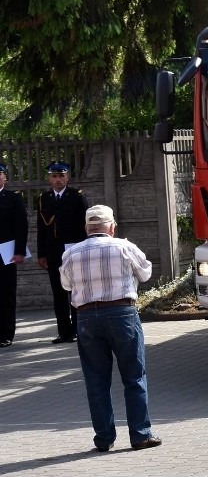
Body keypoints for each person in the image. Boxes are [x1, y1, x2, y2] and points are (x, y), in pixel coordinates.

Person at [60, 205, 162, 452]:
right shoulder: (124, 247)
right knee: (134, 376)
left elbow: (66, 284)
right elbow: (146, 274)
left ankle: (104, 438)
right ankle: (140, 435)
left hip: (86, 317)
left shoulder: (72, 253)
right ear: (112, 227)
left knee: (96, 380)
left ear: (86, 228)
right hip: (122, 314)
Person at [37, 161, 88, 344]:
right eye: (54, 176)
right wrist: (41, 253)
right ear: (49, 178)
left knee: (74, 292)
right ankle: (63, 332)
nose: (58, 179)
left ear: (68, 177)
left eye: (61, 175)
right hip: (53, 253)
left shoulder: (77, 196)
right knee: (58, 294)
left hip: (73, 250)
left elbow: (84, 226)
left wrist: (84, 249)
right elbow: (42, 228)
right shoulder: (44, 198)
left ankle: (77, 330)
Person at [0, 162, 28, 348]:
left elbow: (21, 226)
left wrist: (19, 251)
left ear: (5, 178)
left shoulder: (13, 198)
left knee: (6, 293)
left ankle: (6, 333)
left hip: (5, 253)